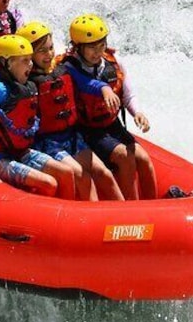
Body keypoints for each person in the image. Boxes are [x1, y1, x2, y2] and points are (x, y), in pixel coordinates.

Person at [17, 21, 122, 201]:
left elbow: (87, 83)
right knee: (81, 175)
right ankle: (96, 221)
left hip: (72, 137)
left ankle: (126, 216)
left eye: (50, 48)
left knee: (104, 173)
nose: (49, 54)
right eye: (42, 51)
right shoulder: (26, 82)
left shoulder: (63, 69)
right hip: (47, 142)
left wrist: (104, 88)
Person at [62, 14, 158, 200]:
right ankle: (132, 211)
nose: (98, 52)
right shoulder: (69, 67)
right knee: (124, 156)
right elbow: (86, 83)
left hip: (111, 126)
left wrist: (137, 113)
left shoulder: (114, 62)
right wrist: (104, 89)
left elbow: (128, 94)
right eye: (91, 47)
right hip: (86, 130)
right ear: (77, 47)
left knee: (144, 159)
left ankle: (155, 207)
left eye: (101, 45)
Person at [0, 34, 76, 199]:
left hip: (21, 151)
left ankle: (72, 217)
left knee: (67, 172)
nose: (31, 64)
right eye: (24, 60)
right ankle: (46, 221)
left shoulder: (28, 86)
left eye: (30, 59)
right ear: (7, 64)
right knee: (49, 183)